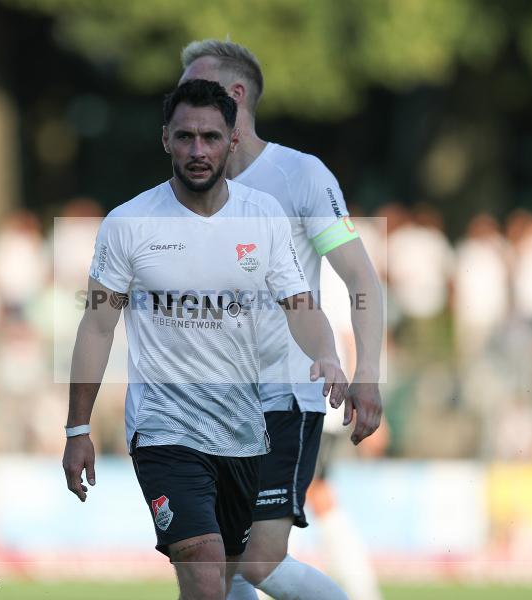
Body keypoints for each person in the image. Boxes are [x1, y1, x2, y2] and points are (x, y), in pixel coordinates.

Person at [62, 79, 349, 600]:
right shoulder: (128, 224)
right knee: (201, 561)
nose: (198, 150)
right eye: (187, 137)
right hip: (164, 430)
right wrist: (77, 427)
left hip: (244, 431)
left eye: (211, 137)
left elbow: (300, 305)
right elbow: (98, 326)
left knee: (232, 574)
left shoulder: (262, 216)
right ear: (166, 139)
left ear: (232, 142)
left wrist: (326, 353)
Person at [180, 40, 385, 600]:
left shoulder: (299, 175)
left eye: (193, 84)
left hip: (285, 397)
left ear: (235, 95)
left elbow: (362, 278)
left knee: (258, 562)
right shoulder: (193, 183)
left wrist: (367, 372)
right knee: (213, 564)